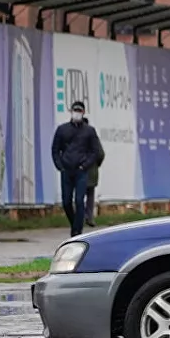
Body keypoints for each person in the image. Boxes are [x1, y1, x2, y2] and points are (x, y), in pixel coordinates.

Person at [51, 101, 105, 237]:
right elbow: (55, 149)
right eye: (75, 110)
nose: (77, 113)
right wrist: (60, 166)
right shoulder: (62, 129)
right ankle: (74, 222)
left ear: (83, 112)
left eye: (79, 111)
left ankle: (77, 231)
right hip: (67, 170)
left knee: (79, 200)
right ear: (71, 111)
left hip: (81, 171)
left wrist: (85, 165)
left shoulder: (89, 131)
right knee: (66, 201)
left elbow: (95, 151)